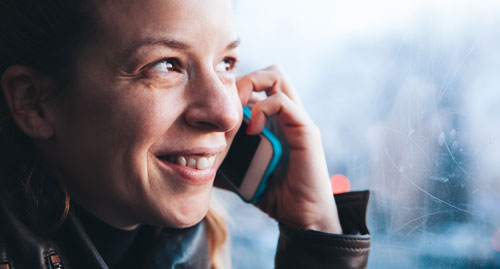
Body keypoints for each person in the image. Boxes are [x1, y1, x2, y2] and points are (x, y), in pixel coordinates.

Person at [0, 0, 370, 268]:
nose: (226, 114)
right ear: (34, 103)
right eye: (166, 65)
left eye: (226, 63)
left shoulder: (198, 250)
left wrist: (316, 230)